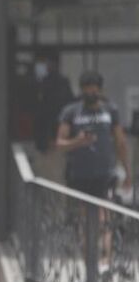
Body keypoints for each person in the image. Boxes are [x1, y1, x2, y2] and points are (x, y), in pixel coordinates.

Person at [56, 70, 132, 199]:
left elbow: (121, 142)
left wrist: (127, 172)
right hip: (78, 174)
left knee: (103, 211)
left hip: (105, 173)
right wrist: (78, 141)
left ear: (100, 90)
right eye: (87, 90)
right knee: (80, 214)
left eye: (93, 90)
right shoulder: (71, 112)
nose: (90, 94)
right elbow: (60, 144)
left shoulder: (110, 110)